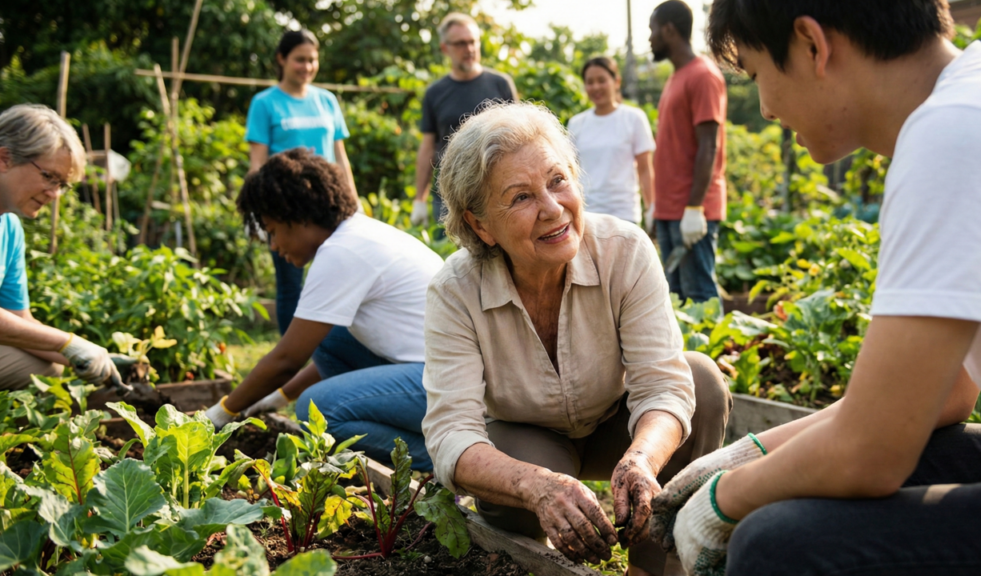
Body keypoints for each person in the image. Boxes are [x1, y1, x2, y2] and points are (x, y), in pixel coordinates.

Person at [648, 2, 981, 575]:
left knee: (778, 544)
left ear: (811, 46)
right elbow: (946, 398)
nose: (767, 107)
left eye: (756, 75)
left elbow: (870, 455)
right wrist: (749, 455)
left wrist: (724, 501)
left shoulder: (953, 141)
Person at [421, 102, 732, 576]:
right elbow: (451, 435)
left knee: (701, 381)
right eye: (521, 197)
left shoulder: (624, 251)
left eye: (558, 180)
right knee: (504, 463)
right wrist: (536, 485)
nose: (552, 209)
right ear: (480, 225)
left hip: (614, 422)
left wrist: (641, 461)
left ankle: (652, 568)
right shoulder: (454, 290)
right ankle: (530, 560)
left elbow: (662, 385)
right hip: (530, 437)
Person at [204, 149, 442, 471]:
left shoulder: (342, 252)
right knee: (331, 339)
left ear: (299, 216)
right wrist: (276, 399)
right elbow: (321, 349)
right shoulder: (357, 234)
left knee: (318, 412)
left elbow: (286, 359)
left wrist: (219, 414)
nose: (273, 245)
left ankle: (446, 457)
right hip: (437, 374)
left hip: (448, 384)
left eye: (273, 231)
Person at [0, 104, 124, 391]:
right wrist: (66, 342)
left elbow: (20, 320)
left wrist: (89, 357)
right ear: (4, 158)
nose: (54, 194)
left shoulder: (10, 227)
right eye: (48, 177)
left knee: (43, 371)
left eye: (62, 184)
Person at [245, 29, 359, 335]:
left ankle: (330, 353)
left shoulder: (327, 101)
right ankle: (291, 359)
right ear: (282, 59)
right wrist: (257, 213)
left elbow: (340, 157)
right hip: (285, 209)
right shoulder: (264, 103)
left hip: (326, 206)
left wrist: (355, 202)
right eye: (299, 60)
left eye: (312, 60)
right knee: (290, 285)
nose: (307, 67)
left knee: (336, 279)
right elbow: (256, 162)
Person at [649, 0, 727, 303]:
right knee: (676, 298)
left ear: (669, 30)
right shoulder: (676, 77)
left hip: (692, 208)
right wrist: (658, 205)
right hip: (672, 208)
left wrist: (695, 209)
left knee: (700, 295)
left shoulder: (702, 75)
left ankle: (714, 352)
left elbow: (709, 145)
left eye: (652, 30)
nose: (650, 38)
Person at [411, 13, 518, 229]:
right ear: (445, 48)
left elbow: (521, 138)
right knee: (450, 257)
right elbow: (427, 148)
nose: (468, 49)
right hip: (449, 195)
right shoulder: (435, 93)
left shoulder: (500, 84)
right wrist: (419, 199)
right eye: (460, 43)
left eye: (472, 42)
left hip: (498, 189)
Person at [567, 57, 656, 230]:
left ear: (616, 82)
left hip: (624, 214)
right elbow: (570, 172)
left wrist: (651, 208)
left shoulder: (633, 118)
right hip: (588, 215)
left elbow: (645, 169)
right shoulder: (577, 123)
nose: (596, 87)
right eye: (590, 82)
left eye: (602, 80)